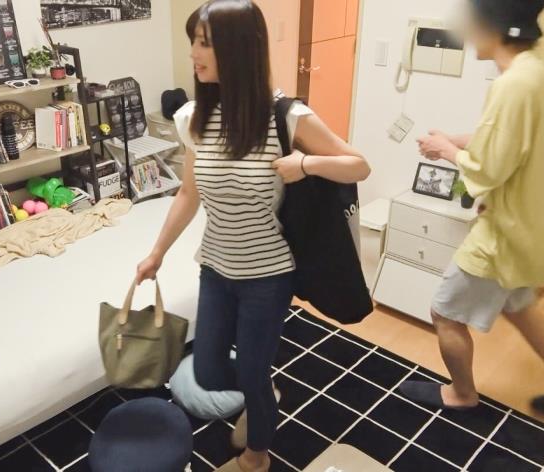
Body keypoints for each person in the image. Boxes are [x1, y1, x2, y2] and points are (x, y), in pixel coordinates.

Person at [135, 1, 370, 470]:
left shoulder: (285, 116)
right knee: (208, 370)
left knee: (252, 370)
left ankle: (257, 456)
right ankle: (263, 391)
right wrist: (156, 252)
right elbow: (188, 192)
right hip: (215, 267)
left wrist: (306, 163)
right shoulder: (194, 118)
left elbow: (358, 165)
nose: (193, 54)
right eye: (193, 42)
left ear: (239, 49)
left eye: (204, 43)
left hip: (269, 274)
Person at [400, 0, 544, 414]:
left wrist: (445, 149)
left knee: (444, 313)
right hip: (530, 222)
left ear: (493, 26)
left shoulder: (511, 85)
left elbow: (489, 168)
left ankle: (462, 394)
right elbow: (511, 138)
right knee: (519, 305)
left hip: (503, 230)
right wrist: (455, 139)